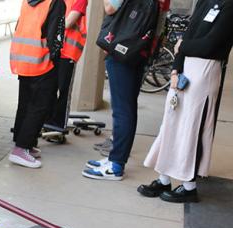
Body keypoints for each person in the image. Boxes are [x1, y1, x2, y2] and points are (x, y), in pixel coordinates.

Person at [139, 0, 233, 202]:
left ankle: (189, 186)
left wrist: (183, 46)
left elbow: (212, 44)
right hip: (185, 69)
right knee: (171, 125)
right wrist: (175, 69)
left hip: (205, 72)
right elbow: (189, 34)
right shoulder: (204, 2)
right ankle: (164, 178)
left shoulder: (229, 6)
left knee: (193, 128)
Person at [82, 0, 168, 180]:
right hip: (139, 50)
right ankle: (116, 158)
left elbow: (110, 7)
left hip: (123, 50)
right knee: (127, 107)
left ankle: (116, 164)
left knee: (122, 110)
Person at [9, 0, 66, 168]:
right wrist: (55, 60)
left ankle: (22, 142)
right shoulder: (55, 3)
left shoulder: (28, 1)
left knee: (25, 103)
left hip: (23, 58)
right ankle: (22, 148)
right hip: (41, 62)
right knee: (41, 105)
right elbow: (55, 36)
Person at [46, 0, 88, 130]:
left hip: (68, 51)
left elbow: (68, 22)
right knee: (50, 87)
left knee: (63, 90)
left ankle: (59, 124)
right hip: (54, 50)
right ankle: (48, 121)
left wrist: (51, 26)